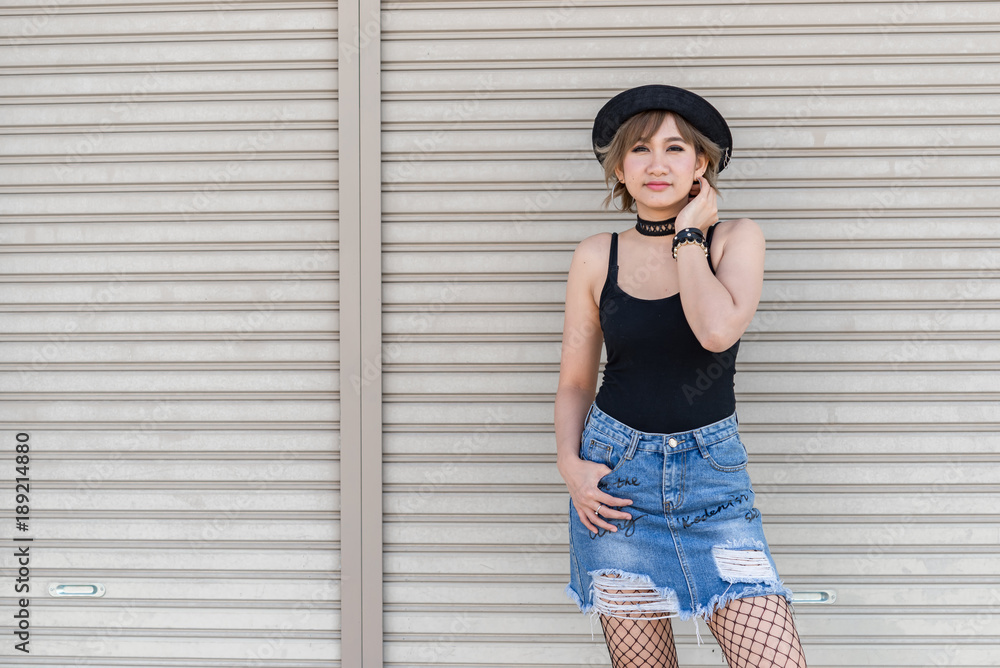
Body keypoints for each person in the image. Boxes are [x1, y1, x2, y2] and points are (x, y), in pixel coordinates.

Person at [554, 85, 808, 668]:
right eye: (640, 149)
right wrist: (569, 464)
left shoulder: (735, 239)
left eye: (675, 148)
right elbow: (575, 382)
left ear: (700, 165)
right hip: (617, 486)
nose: (657, 164)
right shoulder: (596, 255)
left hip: (714, 488)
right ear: (620, 167)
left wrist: (689, 234)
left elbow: (715, 331)